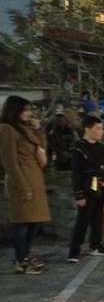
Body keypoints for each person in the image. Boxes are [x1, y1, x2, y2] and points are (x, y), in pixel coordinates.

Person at [0, 96, 50, 275]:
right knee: (22, 221)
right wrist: (23, 186)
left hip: (35, 177)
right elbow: (9, 161)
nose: (29, 113)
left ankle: (25, 255)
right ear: (15, 110)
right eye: (25, 110)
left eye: (30, 110)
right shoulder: (7, 129)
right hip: (21, 180)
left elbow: (41, 149)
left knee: (35, 220)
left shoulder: (25, 128)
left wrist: (38, 130)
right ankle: (21, 259)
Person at [66, 116, 104, 262]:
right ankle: (74, 249)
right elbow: (76, 174)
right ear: (88, 129)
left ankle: (96, 244)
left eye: (102, 128)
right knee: (83, 220)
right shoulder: (79, 149)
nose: (102, 132)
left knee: (98, 218)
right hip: (87, 189)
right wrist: (79, 194)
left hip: (100, 189)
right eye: (98, 129)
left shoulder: (103, 149)